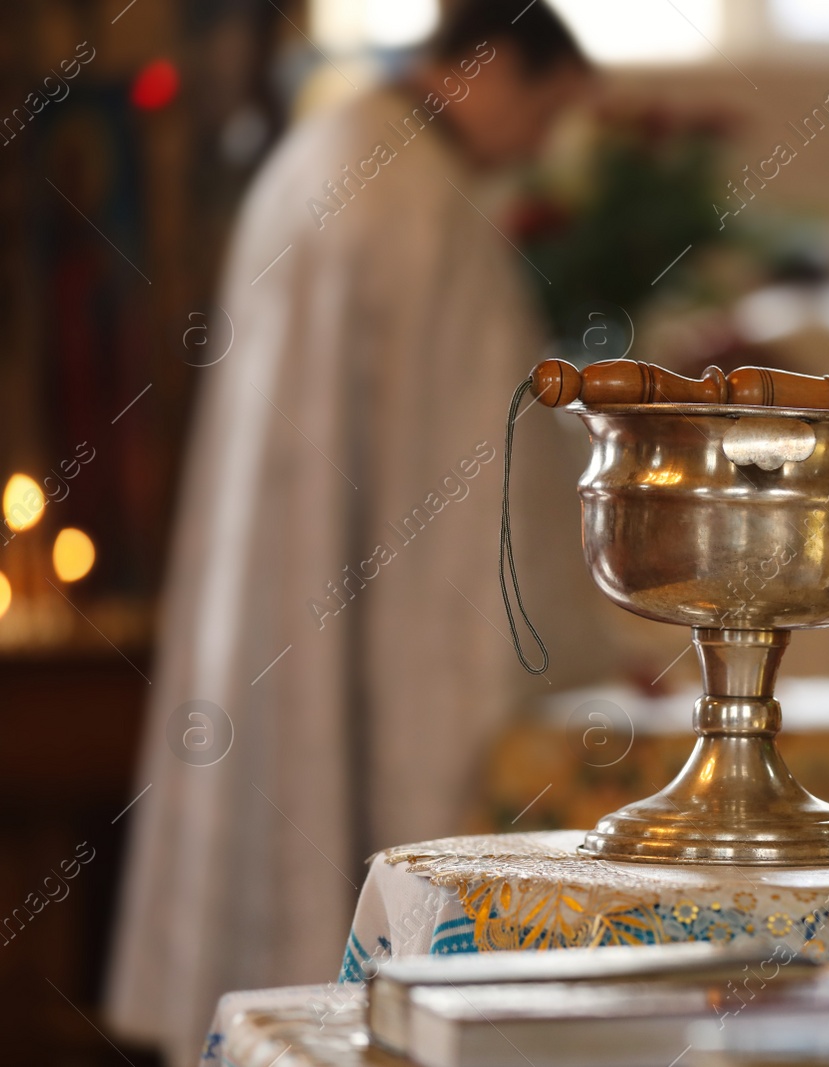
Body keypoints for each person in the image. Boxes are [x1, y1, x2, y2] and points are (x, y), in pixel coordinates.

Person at [106, 5, 615, 1062]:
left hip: (282, 602)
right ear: (491, 72)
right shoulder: (419, 200)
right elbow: (490, 480)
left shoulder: (326, 152)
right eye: (547, 112)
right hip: (380, 625)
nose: (538, 150)